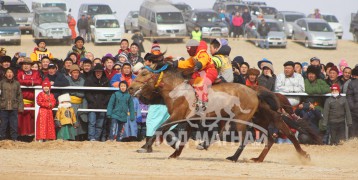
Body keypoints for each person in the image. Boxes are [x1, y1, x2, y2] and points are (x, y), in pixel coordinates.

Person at [174, 39, 218, 110]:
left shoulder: (202, 53)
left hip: (209, 71)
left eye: (188, 49)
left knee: (200, 84)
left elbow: (204, 60)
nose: (187, 51)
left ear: (193, 48)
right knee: (189, 82)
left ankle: (203, 103)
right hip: (200, 73)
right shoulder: (194, 57)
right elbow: (187, 63)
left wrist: (199, 64)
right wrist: (177, 63)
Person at [17, 58, 42, 141]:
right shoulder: (19, 72)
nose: (26, 66)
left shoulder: (36, 72)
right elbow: (18, 81)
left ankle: (30, 136)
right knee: (21, 119)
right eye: (24, 64)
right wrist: (31, 82)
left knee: (30, 120)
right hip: (22, 100)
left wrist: (27, 81)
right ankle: (20, 136)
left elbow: (39, 81)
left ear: (31, 66)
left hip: (32, 100)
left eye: (28, 64)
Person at [84, 64, 110, 141]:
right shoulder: (89, 80)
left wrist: (104, 102)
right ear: (94, 72)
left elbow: (109, 93)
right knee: (92, 123)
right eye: (97, 72)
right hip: (92, 105)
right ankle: (91, 138)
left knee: (100, 124)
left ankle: (96, 138)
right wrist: (92, 101)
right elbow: (87, 93)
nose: (98, 73)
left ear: (102, 72)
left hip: (102, 106)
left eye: (100, 72)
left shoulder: (106, 80)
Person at [0, 68, 24, 141]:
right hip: (3, 106)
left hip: (14, 107)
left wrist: (20, 107)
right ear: (5, 74)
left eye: (11, 72)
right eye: (8, 72)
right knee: (3, 124)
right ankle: (2, 139)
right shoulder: (1, 83)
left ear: (13, 74)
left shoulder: (17, 83)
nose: (9, 74)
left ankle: (14, 139)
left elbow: (19, 95)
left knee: (14, 124)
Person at [65, 65, 87, 141]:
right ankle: (70, 137)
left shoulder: (82, 80)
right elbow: (66, 92)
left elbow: (82, 94)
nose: (75, 74)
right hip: (70, 103)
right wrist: (76, 93)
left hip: (80, 103)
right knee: (70, 119)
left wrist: (73, 92)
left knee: (80, 120)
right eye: (74, 72)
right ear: (71, 73)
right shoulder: (67, 79)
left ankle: (79, 137)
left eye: (77, 72)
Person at [347, 66, 358, 138]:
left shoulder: (351, 83)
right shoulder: (352, 83)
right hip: (354, 111)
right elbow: (349, 96)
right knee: (353, 131)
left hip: (354, 110)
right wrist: (353, 107)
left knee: (353, 131)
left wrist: (353, 107)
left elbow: (349, 96)